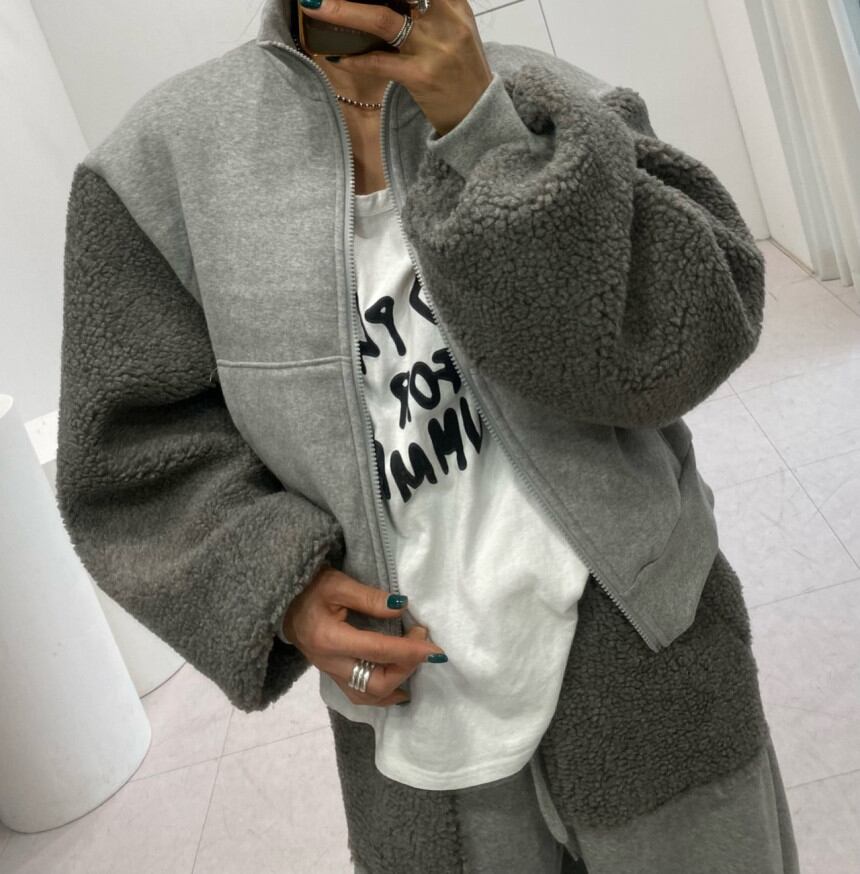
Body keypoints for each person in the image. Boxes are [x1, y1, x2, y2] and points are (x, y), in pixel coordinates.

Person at [55, 0, 801, 871]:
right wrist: (278, 587)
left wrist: (490, 135)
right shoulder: (156, 168)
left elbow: (691, 334)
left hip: (651, 670)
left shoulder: (557, 101)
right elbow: (132, 461)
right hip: (413, 725)